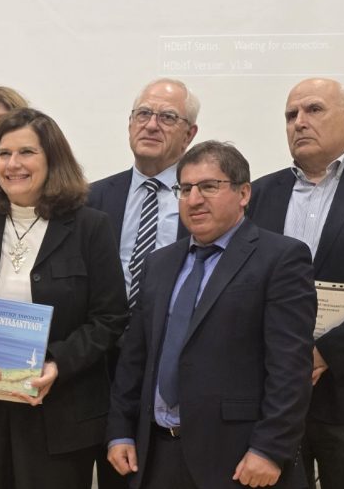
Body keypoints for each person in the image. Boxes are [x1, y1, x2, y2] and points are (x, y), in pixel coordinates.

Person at [0, 108, 128, 489]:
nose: (13, 164)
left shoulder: (90, 227)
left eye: (26, 152)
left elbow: (110, 318)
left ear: (52, 159)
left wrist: (58, 364)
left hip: (57, 414)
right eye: (3, 153)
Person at [106, 141, 316, 489]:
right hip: (155, 454)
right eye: (185, 188)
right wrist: (120, 431)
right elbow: (135, 358)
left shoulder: (280, 258)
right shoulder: (159, 263)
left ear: (243, 193)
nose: (194, 199)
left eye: (208, 187)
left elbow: (290, 367)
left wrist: (270, 448)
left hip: (237, 459)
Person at [246, 78, 344, 489]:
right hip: (271, 396)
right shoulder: (259, 193)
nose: (299, 122)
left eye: (314, 109)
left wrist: (324, 353)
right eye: (290, 115)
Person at [86, 78, 200, 488]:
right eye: (143, 114)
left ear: (190, 134)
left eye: (167, 117)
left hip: (173, 369)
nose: (151, 125)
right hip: (98, 366)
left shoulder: (203, 200)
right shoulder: (93, 197)